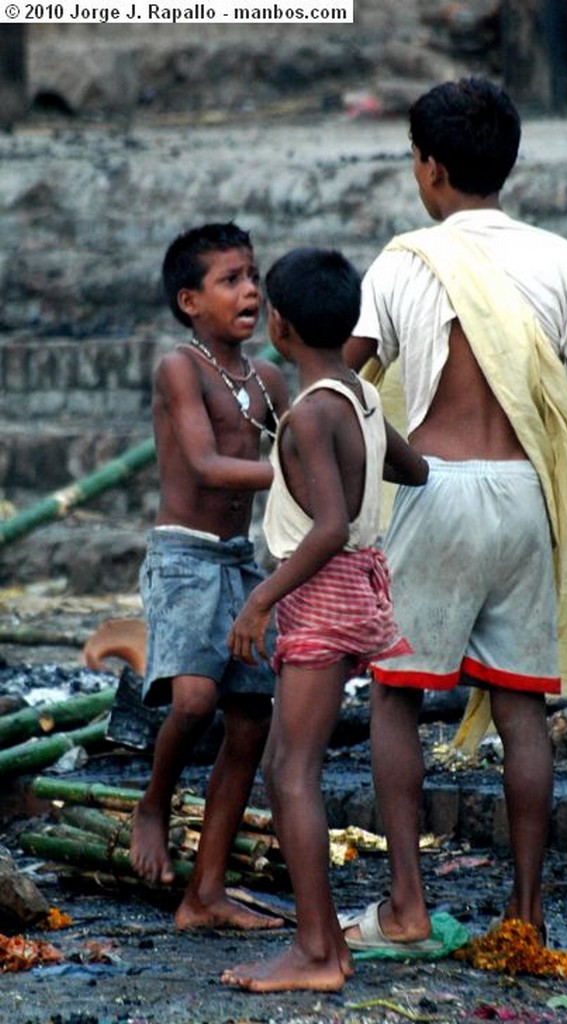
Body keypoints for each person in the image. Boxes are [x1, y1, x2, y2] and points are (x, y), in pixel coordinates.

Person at [342, 78, 567, 950]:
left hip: (434, 491)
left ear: (430, 167)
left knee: (395, 697)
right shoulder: (561, 260)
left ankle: (407, 909)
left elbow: (345, 385)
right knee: (523, 710)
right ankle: (526, 919)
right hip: (527, 501)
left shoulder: (403, 260)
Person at [219, 246, 429, 992]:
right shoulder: (361, 397)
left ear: (279, 323)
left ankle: (315, 953)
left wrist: (260, 597)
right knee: (287, 764)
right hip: (358, 585)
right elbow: (414, 468)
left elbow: (331, 524)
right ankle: (325, 948)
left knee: (292, 773)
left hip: (322, 589)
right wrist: (361, 460)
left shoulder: (310, 414)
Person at [131, 221, 289, 932]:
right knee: (194, 699)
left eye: (253, 276)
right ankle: (153, 803)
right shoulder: (181, 368)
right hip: (184, 557)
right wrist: (298, 477)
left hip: (238, 561)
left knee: (252, 719)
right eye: (230, 280)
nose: (249, 289)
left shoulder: (269, 380)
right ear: (191, 301)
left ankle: (207, 893)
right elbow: (203, 465)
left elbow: (310, 431)